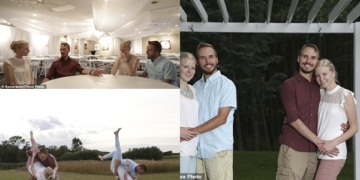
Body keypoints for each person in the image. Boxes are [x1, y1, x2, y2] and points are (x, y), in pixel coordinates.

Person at [276, 43, 348, 180]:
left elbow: (333, 109)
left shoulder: (321, 86)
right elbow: (293, 119)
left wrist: (346, 123)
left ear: (317, 61)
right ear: (298, 58)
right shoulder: (289, 85)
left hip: (314, 154)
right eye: (305, 57)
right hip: (293, 149)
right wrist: (320, 143)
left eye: (313, 58)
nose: (308, 61)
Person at [190, 43, 237, 179]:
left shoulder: (226, 85)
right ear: (198, 62)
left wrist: (191, 132)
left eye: (211, 57)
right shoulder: (194, 87)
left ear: (217, 59)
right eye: (202, 58)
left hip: (218, 151)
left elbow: (222, 118)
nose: (207, 61)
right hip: (197, 152)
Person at [314, 59, 358, 180]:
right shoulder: (319, 94)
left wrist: (330, 144)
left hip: (334, 153)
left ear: (333, 73)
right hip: (318, 152)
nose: (321, 78)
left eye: (324, 74)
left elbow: (354, 127)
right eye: (317, 75)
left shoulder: (345, 95)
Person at [179, 52, 199, 174]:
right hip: (181, 150)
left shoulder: (193, 90)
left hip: (193, 150)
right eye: (185, 66)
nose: (189, 71)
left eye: (193, 68)